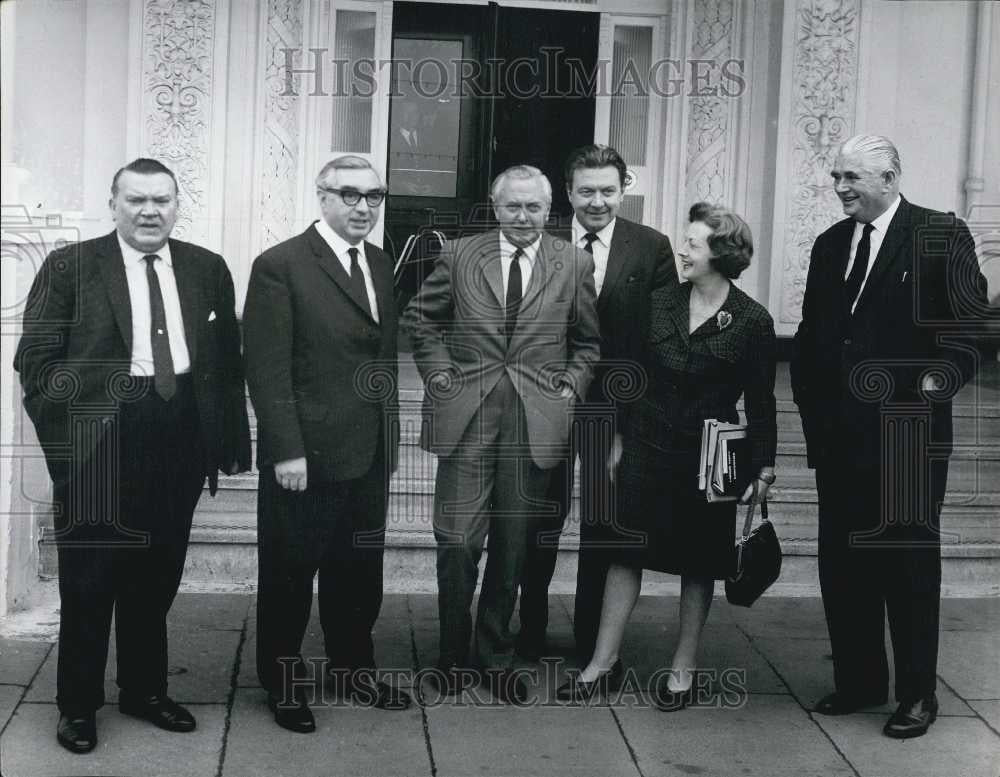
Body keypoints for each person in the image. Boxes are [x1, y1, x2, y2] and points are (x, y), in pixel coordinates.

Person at [14, 158, 251, 754]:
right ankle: (77, 706)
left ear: (177, 204)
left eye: (162, 200)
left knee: (157, 576)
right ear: (113, 203)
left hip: (177, 438)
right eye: (137, 200)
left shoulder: (206, 268)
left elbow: (224, 363)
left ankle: (143, 691)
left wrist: (222, 441)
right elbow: (36, 361)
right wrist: (71, 446)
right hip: (100, 439)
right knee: (90, 581)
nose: (151, 211)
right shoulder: (71, 266)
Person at [791, 135, 989, 738]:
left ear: (890, 175)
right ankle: (859, 681)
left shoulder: (939, 232)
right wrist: (813, 414)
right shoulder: (830, 245)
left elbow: (970, 329)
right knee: (843, 562)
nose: (841, 187)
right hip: (840, 437)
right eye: (836, 176)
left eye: (852, 176)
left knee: (906, 566)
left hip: (907, 438)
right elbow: (812, 335)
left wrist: (930, 388)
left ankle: (917, 696)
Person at [556, 202, 777, 710]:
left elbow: (761, 403)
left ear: (721, 254)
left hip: (711, 457)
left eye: (694, 243)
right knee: (623, 554)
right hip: (646, 446)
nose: (682, 249)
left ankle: (683, 669)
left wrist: (763, 466)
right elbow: (625, 376)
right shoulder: (656, 304)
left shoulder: (751, 321)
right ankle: (601, 664)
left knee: (699, 564)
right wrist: (613, 439)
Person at [403, 165, 600, 703]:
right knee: (457, 542)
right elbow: (421, 321)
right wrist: (442, 379)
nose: (523, 218)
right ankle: (449, 656)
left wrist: (568, 390)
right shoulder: (460, 255)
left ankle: (493, 656)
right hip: (468, 419)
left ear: (549, 208)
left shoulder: (573, 262)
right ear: (495, 207)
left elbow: (587, 343)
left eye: (534, 207)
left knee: (513, 549)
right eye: (513, 207)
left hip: (533, 425)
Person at [243, 155, 410, 733]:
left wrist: (387, 442)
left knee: (358, 571)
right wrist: (286, 448)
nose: (363, 207)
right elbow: (266, 368)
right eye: (349, 195)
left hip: (367, 452)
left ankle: (352, 669)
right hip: (306, 457)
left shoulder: (382, 263)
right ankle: (283, 684)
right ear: (322, 197)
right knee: (291, 573)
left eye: (374, 196)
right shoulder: (281, 266)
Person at [517, 144, 677, 661]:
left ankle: (591, 639)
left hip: (615, 409)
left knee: (602, 524)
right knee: (541, 517)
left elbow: (659, 340)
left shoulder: (651, 247)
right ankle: (531, 629)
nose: (598, 202)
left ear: (624, 189)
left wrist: (636, 423)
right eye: (586, 191)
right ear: (568, 192)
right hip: (547, 401)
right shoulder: (538, 243)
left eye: (608, 190)